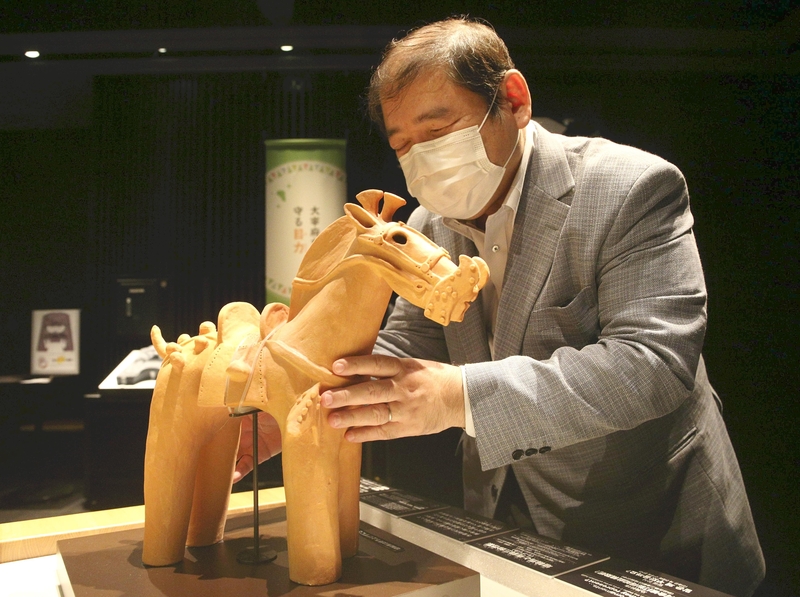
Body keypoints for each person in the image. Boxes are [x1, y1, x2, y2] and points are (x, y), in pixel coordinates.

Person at [235, 16, 765, 596]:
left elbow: (653, 365)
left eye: (439, 129)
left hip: (650, 523)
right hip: (508, 522)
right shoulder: (429, 223)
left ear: (513, 100)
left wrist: (456, 397)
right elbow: (410, 343)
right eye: (402, 144)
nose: (421, 157)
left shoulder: (631, 187)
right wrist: (300, 393)